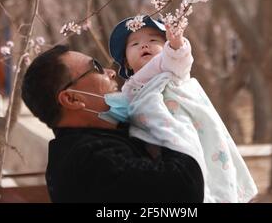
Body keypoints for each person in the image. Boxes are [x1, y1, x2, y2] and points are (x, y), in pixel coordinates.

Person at [21, 44, 204, 203]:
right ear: (72, 99)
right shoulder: (87, 161)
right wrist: (169, 120)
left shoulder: (101, 139)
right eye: (96, 67)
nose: (111, 72)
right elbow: (184, 188)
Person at [108, 15, 258, 203]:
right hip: (159, 143)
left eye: (153, 40)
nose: (144, 46)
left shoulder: (169, 67)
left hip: (188, 130)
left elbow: (179, 57)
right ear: (127, 62)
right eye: (135, 44)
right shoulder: (130, 89)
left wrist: (176, 43)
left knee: (206, 177)